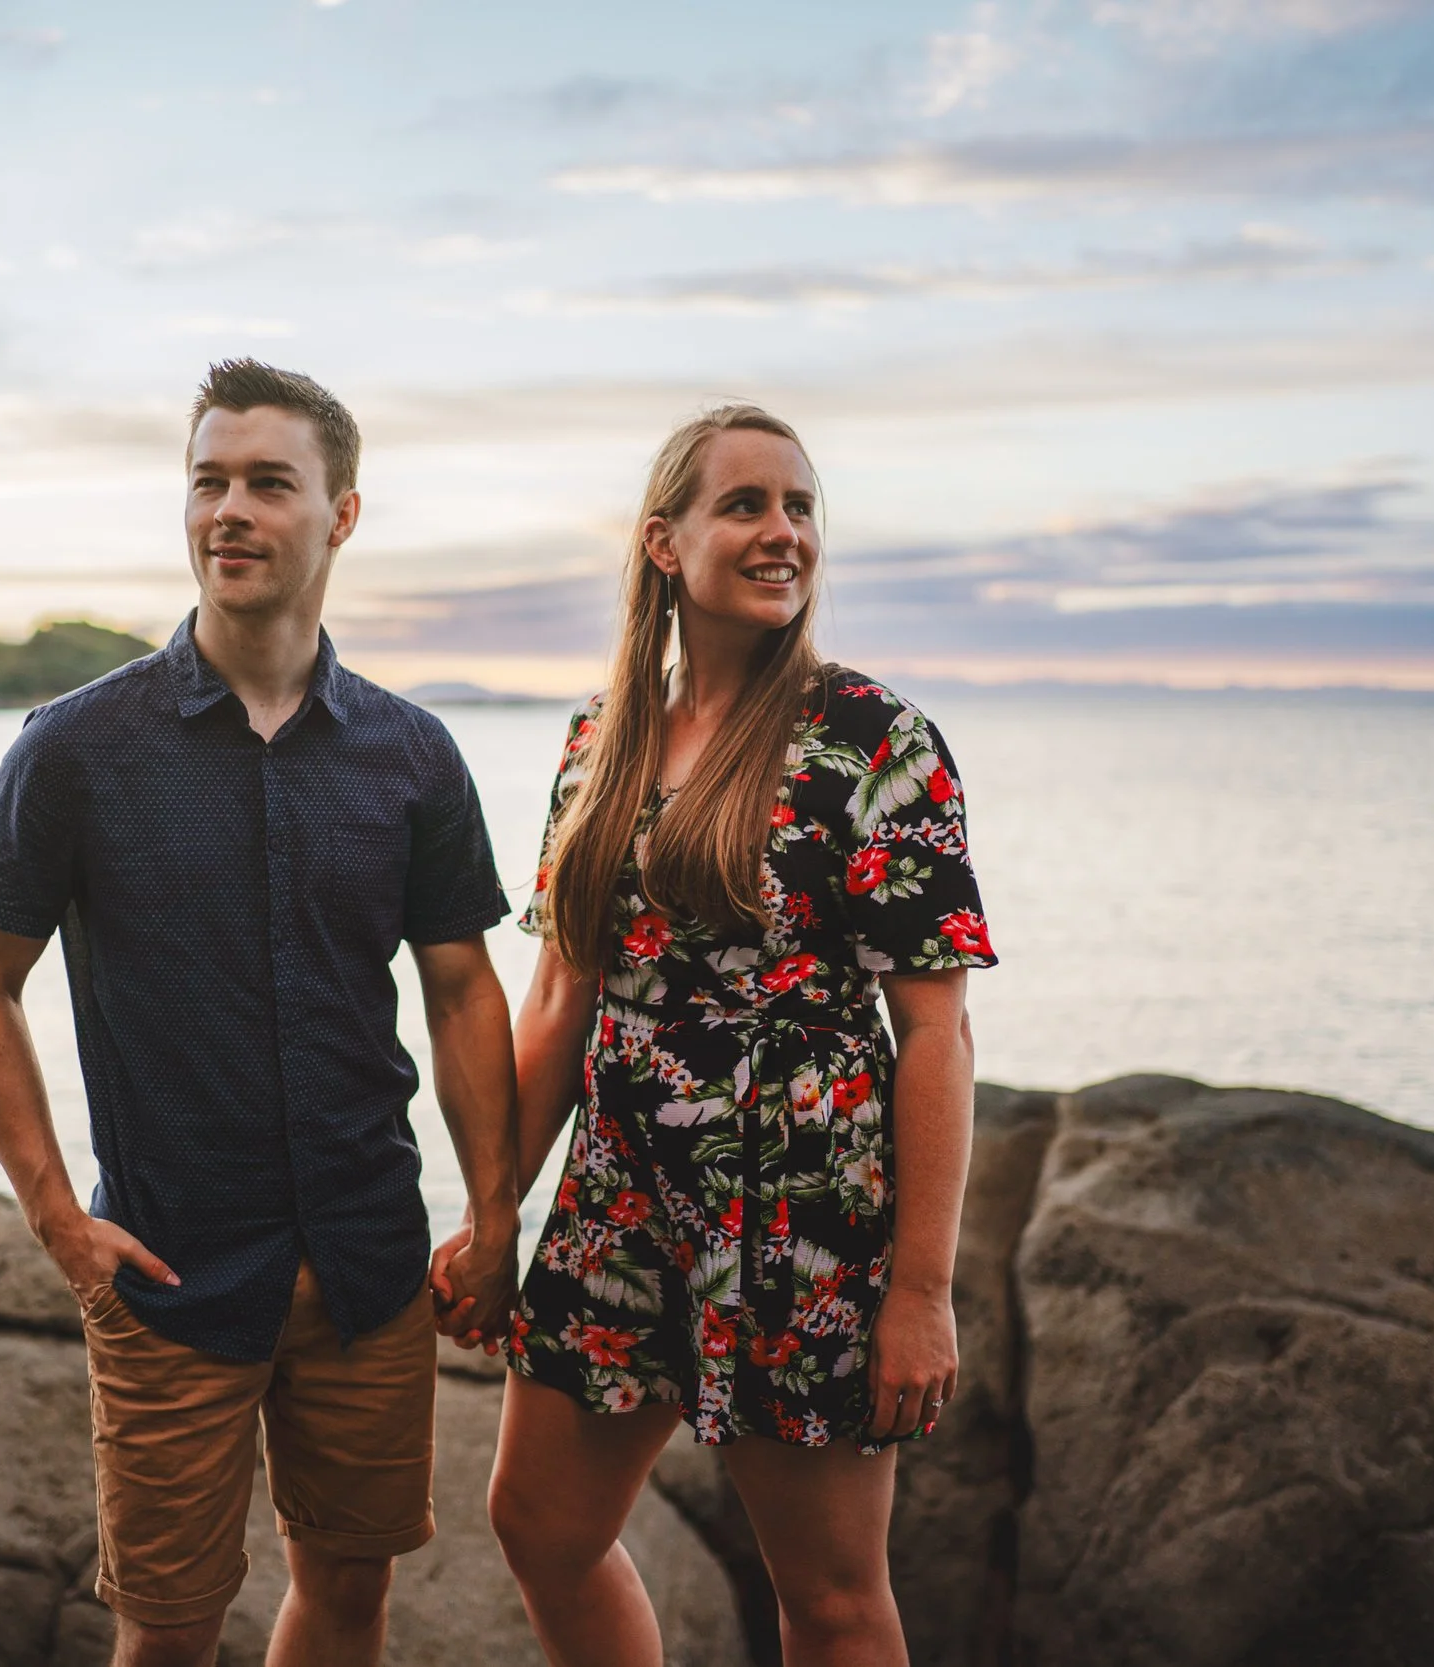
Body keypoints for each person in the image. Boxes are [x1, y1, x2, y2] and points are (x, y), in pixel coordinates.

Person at [0, 359, 523, 1667]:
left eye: (270, 483)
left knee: (350, 1594)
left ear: (343, 514)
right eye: (209, 480)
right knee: (168, 1628)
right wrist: (56, 1218)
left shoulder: (412, 753)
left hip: (371, 1260)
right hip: (168, 1269)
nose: (231, 511)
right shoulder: (74, 748)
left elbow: (460, 987)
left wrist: (495, 1216)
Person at [452, 404, 995, 1667]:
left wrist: (919, 1290)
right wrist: (494, 1216)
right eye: (745, 504)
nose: (781, 531)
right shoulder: (600, 738)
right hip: (616, 1197)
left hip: (801, 1213)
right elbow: (556, 1001)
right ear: (663, 541)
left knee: (831, 1592)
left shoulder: (877, 742)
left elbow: (935, 1035)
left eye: (800, 507)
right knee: (538, 1522)